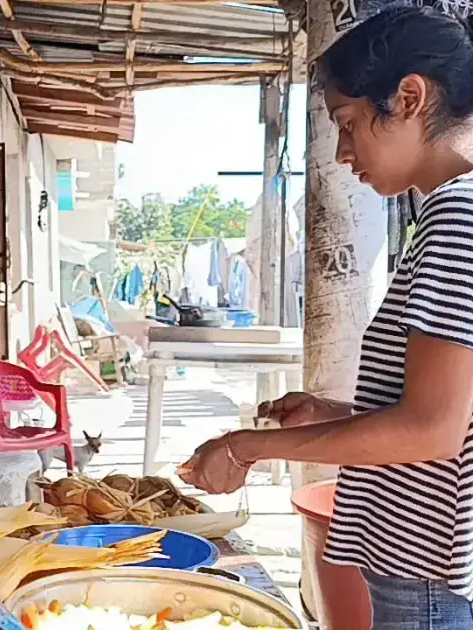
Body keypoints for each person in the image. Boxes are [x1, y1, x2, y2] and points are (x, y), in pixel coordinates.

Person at [179, 7, 473, 628]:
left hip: (428, 572)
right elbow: (449, 417)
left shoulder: (457, 218)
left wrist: (247, 447)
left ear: (409, 98)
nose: (341, 152)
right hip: (430, 566)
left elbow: (430, 432)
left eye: (348, 123)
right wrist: (330, 412)